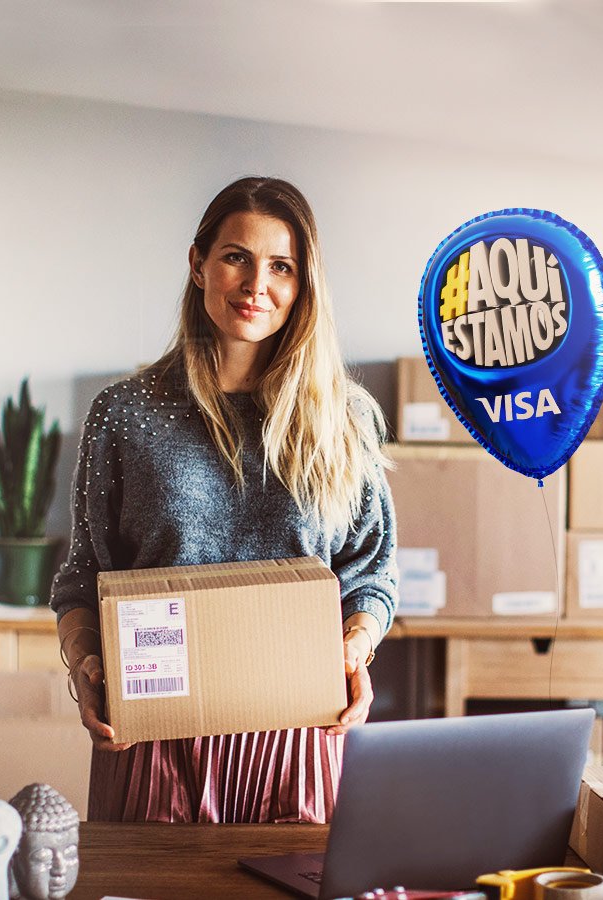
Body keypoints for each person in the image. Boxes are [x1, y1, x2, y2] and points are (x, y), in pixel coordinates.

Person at [49, 176, 397, 824]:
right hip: (154, 735)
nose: (255, 285)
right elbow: (82, 577)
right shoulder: (124, 415)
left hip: (299, 732)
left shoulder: (346, 418)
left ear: (303, 285)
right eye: (236, 256)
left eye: (281, 266)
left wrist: (356, 648)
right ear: (198, 263)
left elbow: (371, 576)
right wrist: (84, 664)